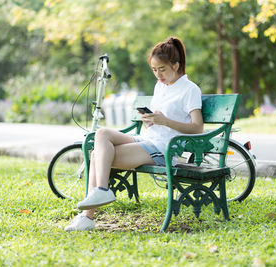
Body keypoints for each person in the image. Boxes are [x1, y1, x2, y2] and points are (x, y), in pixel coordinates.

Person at [65, 37, 204, 232]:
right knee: (102, 134)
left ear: (176, 64)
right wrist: (149, 120)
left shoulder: (190, 90)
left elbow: (198, 128)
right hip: (149, 139)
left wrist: (166, 121)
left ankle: (89, 214)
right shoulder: (160, 86)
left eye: (162, 70)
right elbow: (158, 119)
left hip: (164, 149)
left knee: (97, 155)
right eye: (154, 70)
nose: (158, 75)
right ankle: (101, 193)